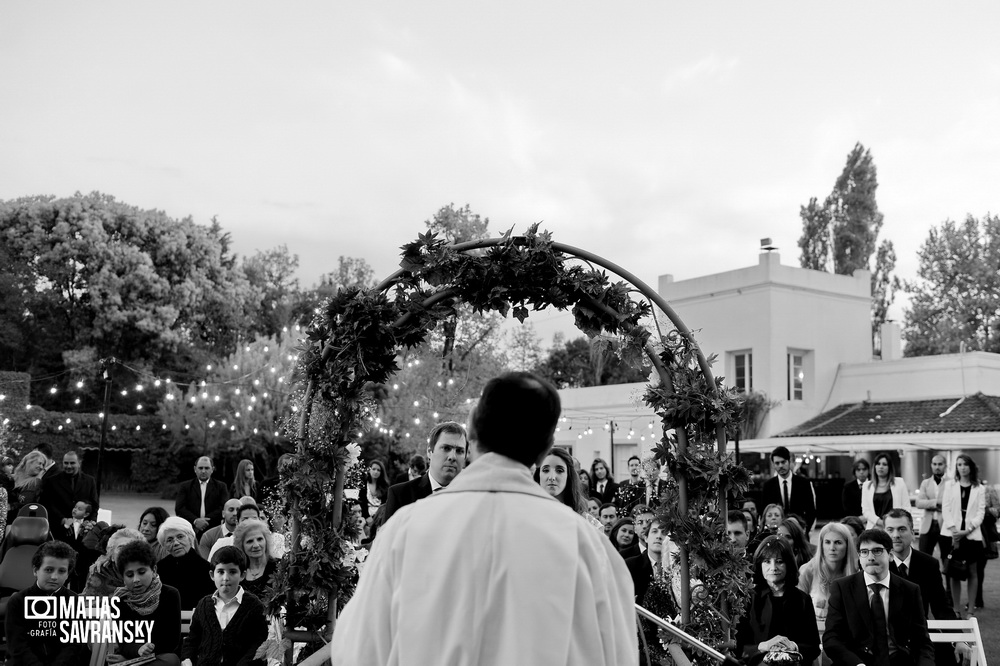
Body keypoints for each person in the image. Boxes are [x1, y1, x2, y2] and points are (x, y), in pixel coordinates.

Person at [330, 371, 638, 665]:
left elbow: (357, 651)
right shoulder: (590, 547)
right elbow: (619, 655)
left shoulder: (406, 530)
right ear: (544, 450)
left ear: (472, 432)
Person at [823, 528, 934, 666]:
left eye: (877, 551)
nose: (870, 557)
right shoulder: (842, 588)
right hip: (856, 661)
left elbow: (922, 641)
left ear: (891, 555)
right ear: (859, 557)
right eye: (864, 552)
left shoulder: (910, 590)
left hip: (898, 661)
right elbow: (831, 639)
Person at [883, 509, 958, 666]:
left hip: (921, 634)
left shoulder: (928, 564)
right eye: (890, 530)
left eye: (901, 529)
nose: (895, 535)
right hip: (887, 637)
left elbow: (941, 606)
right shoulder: (877, 564)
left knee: (949, 655)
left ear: (912, 532)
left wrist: (958, 639)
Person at [736, 535, 820, 666]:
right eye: (767, 561)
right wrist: (764, 646)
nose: (773, 567)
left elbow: (813, 647)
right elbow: (738, 646)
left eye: (779, 561)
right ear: (760, 564)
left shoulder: (802, 599)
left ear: (789, 564)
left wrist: (793, 646)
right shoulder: (748, 599)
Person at [5, 541, 90, 665]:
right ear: (35, 570)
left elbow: (75, 645)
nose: (54, 577)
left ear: (67, 574)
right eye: (49, 570)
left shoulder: (75, 601)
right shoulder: (18, 602)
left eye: (61, 571)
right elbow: (18, 646)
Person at [181, 546, 268, 666]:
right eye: (220, 572)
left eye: (232, 572)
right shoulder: (204, 605)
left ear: (242, 575)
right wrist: (187, 658)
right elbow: (192, 639)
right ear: (212, 575)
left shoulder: (254, 606)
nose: (226, 578)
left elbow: (259, 642)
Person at [109, 539, 183, 665]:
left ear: (154, 570)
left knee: (170, 660)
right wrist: (138, 650)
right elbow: (123, 641)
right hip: (133, 655)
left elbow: (172, 640)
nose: (136, 579)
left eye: (141, 572)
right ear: (122, 577)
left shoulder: (170, 594)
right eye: (130, 575)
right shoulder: (119, 600)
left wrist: (143, 654)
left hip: (161, 657)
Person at [380, 421, 468, 526]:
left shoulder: (474, 498)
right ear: (430, 451)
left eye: (459, 451)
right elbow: (387, 541)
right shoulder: (400, 495)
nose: (452, 456)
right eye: (446, 448)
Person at [797, 522, 858, 651]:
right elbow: (797, 612)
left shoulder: (856, 573)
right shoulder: (808, 571)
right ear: (821, 544)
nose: (832, 548)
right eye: (827, 542)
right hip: (812, 641)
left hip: (846, 642)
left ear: (847, 545)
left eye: (838, 542)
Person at [941, 453, 985, 618]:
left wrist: (967, 530)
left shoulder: (979, 488)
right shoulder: (950, 485)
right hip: (951, 534)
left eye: (965, 464)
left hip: (971, 535)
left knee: (973, 571)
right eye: (959, 464)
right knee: (954, 572)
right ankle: (957, 609)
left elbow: (980, 512)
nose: (962, 467)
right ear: (956, 468)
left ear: (971, 467)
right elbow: (946, 509)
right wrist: (954, 530)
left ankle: (971, 609)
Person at [156, 516, 215, 610]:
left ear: (190, 538)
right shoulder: (160, 568)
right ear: (164, 545)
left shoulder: (206, 569)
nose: (175, 543)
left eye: (180, 537)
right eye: (169, 540)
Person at [39, 450, 100, 532]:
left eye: (72, 463)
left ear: (79, 463)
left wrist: (91, 522)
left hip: (83, 530)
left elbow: (94, 505)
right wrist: (63, 520)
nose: (69, 466)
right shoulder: (52, 481)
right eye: (66, 463)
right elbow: (48, 505)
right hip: (59, 529)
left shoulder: (90, 481)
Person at [761, 446, 816, 531]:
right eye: (777, 463)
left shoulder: (804, 483)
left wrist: (805, 530)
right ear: (773, 464)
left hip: (799, 531)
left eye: (783, 462)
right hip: (776, 532)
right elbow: (764, 512)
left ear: (789, 461)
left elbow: (811, 511)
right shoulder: (768, 486)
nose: (780, 466)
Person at [175, 457, 230, 537]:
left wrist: (204, 522)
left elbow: (223, 508)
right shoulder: (185, 487)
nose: (203, 471)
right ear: (195, 469)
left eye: (207, 468)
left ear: (212, 469)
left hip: (214, 531)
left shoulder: (221, 487)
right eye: (200, 468)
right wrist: (195, 521)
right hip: (190, 531)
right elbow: (179, 508)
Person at [83, 527, 145, 597]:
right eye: (121, 547)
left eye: (132, 548)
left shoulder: (151, 578)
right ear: (111, 556)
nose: (126, 552)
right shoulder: (100, 575)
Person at [861, 453, 911, 529]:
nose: (881, 467)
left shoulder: (899, 483)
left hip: (895, 526)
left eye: (884, 464)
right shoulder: (867, 486)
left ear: (889, 467)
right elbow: (866, 511)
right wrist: (880, 522)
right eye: (878, 464)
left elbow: (906, 507)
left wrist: (896, 522)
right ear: (874, 466)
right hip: (875, 527)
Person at [231, 518, 277, 599]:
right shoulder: (237, 571)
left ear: (266, 541)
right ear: (241, 546)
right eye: (250, 541)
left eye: (260, 539)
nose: (256, 545)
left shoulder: (279, 567)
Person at [915, 455, 950, 558]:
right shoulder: (925, 483)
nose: (937, 467)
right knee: (924, 558)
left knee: (947, 559)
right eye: (934, 464)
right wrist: (937, 503)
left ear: (945, 466)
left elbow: (951, 504)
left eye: (940, 464)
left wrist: (928, 503)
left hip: (945, 525)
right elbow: (919, 503)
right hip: (927, 526)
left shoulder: (951, 483)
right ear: (931, 465)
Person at [9, 450, 46, 521]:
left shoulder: (35, 483)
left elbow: (25, 502)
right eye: (39, 463)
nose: (41, 467)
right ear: (30, 462)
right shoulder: (13, 477)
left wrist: (10, 506)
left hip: (20, 522)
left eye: (43, 465)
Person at [358, 459, 389, 524]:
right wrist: (366, 517)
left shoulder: (385, 486)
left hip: (380, 519)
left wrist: (378, 518)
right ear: (369, 469)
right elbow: (361, 502)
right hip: (365, 518)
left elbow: (385, 504)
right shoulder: (363, 484)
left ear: (381, 472)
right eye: (374, 469)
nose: (375, 472)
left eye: (378, 470)